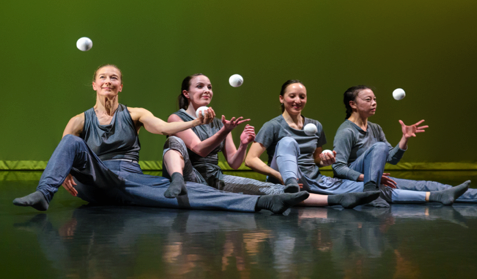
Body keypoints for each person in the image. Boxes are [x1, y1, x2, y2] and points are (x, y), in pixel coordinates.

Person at [13, 65, 310, 214]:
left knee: (187, 193)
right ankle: (43, 194)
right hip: (94, 180)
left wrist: (194, 121)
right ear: (94, 84)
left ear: (120, 85)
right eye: (103, 77)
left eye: (114, 78)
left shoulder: (136, 113)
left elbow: (165, 129)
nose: (108, 81)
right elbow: (66, 150)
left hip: (128, 181)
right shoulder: (79, 120)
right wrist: (62, 174)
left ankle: (263, 204)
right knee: (72, 144)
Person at [161, 74, 379, 208]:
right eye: (200, 86)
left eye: (209, 86)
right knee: (174, 142)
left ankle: (336, 200)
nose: (207, 90)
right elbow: (198, 149)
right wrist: (224, 132)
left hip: (215, 177)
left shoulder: (219, 122)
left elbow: (234, 163)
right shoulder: (177, 118)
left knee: (273, 191)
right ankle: (177, 180)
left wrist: (244, 143)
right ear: (186, 93)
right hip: (191, 175)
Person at [245, 80, 471, 206]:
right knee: (286, 142)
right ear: (281, 99)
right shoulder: (273, 125)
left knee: (371, 190)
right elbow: (250, 159)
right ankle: (291, 186)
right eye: (292, 96)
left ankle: (437, 196)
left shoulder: (315, 125)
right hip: (286, 179)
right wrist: (281, 177)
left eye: (301, 96)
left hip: (314, 179)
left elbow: (316, 160)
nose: (297, 100)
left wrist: (324, 159)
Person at [332, 85, 477, 205]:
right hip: (355, 184)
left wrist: (404, 139)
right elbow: (338, 168)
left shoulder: (375, 128)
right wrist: (368, 178)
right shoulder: (346, 131)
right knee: (381, 150)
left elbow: (391, 159)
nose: (374, 103)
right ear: (353, 104)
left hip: (376, 179)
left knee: (430, 185)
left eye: (375, 99)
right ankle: (372, 193)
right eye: (368, 99)